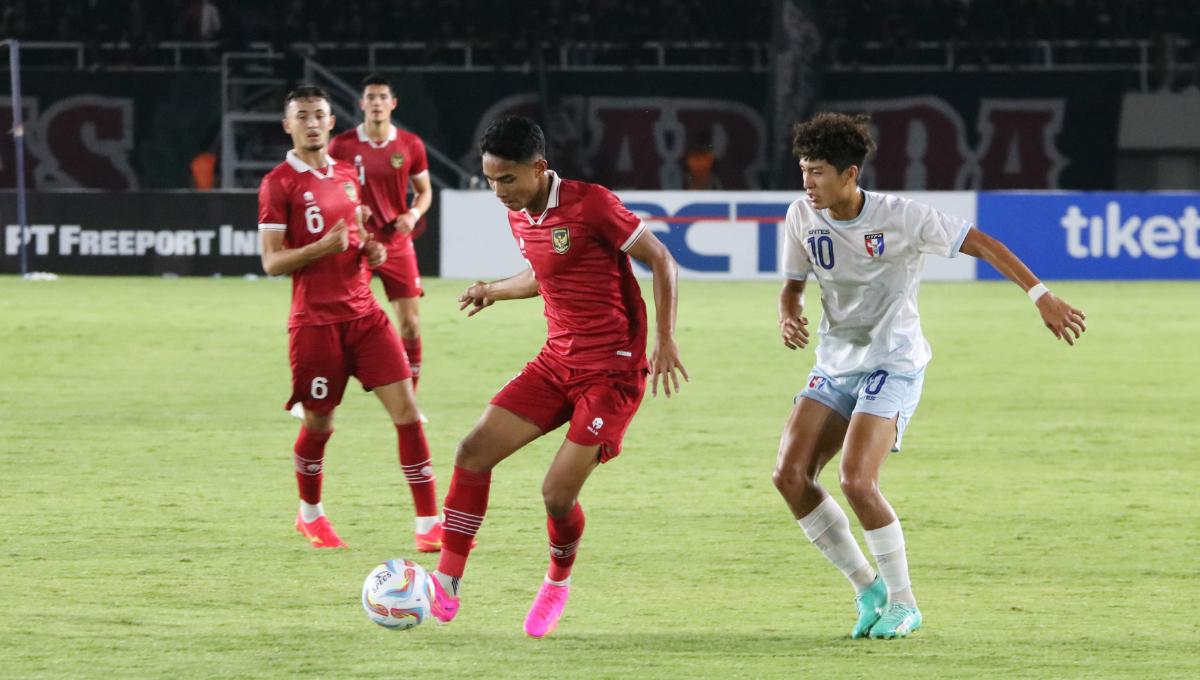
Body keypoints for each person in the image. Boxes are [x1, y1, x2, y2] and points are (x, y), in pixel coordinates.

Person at [773, 112, 1086, 639]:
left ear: (850, 174)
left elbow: (983, 243)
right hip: (835, 363)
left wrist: (1042, 295)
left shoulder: (903, 217)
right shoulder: (801, 216)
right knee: (789, 476)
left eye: (819, 172)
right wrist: (788, 311)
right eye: (804, 170)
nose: (808, 183)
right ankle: (866, 587)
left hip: (892, 362)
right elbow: (792, 284)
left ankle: (903, 602)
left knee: (856, 480)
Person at [427, 116, 688, 637]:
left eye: (507, 180)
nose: (498, 192)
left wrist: (664, 337)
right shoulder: (519, 214)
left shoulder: (591, 204)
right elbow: (543, 275)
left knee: (555, 495)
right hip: (556, 363)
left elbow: (661, 260)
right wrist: (493, 290)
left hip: (610, 374)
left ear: (539, 169)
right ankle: (447, 581)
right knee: (472, 452)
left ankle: (556, 580)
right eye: (489, 181)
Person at [257, 85, 445, 553]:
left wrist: (370, 248)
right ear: (288, 126)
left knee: (408, 414)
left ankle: (429, 525)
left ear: (331, 122)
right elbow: (271, 262)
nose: (312, 122)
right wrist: (323, 247)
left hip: (365, 316)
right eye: (302, 116)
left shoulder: (345, 174)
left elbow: (357, 237)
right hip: (316, 324)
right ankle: (310, 516)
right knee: (319, 425)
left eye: (319, 114)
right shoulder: (278, 183)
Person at [328, 74, 433, 398]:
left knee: (411, 325)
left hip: (396, 243)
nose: (376, 102)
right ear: (361, 104)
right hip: (355, 242)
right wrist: (351, 213)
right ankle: (320, 393)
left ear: (392, 103)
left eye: (381, 97)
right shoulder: (342, 145)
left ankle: (410, 399)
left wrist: (412, 214)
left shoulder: (410, 144)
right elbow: (328, 191)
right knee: (335, 323)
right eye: (370, 97)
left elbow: (425, 192)